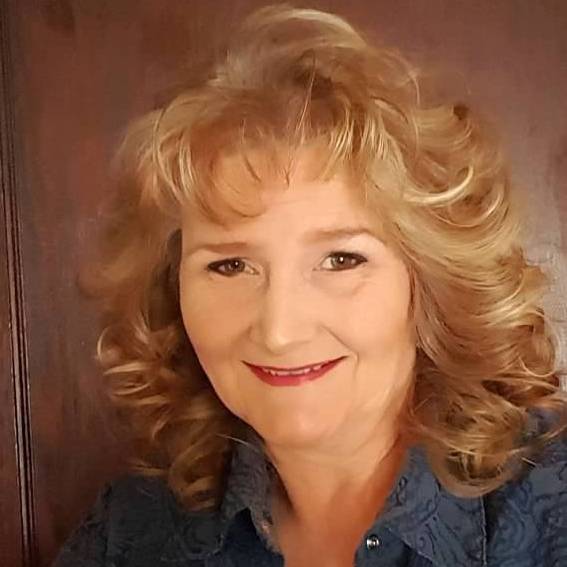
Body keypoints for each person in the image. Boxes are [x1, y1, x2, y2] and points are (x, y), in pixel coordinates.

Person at [53, 4, 567, 567]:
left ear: (428, 283)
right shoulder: (131, 532)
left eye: (341, 260)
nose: (280, 330)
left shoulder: (551, 508)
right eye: (230, 266)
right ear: (172, 289)